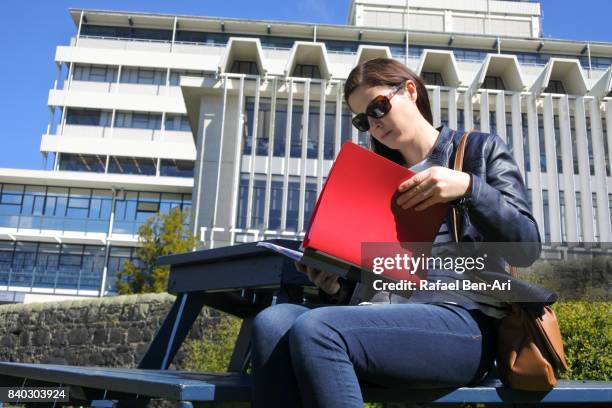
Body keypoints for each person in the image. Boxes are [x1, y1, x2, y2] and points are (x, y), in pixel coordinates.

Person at [250, 58, 542, 408]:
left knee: (318, 330)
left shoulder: (479, 152)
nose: (374, 123)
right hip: (383, 317)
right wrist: (334, 285)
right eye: (363, 119)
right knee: (272, 322)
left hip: (465, 325)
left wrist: (469, 188)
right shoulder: (377, 175)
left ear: (409, 90)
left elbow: (526, 247)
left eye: (378, 107)